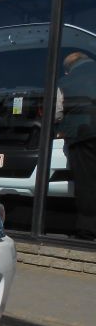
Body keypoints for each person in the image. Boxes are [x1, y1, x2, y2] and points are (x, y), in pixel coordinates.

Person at [58, 51, 96, 240]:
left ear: (68, 69)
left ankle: (87, 230)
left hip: (82, 134)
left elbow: (57, 111)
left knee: (87, 182)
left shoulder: (66, 81)